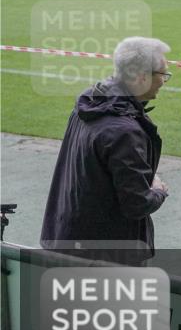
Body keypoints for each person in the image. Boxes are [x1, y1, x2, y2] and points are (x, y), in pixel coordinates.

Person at [40, 36, 172, 264]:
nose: (165, 81)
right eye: (163, 75)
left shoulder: (90, 104)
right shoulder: (124, 131)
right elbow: (137, 203)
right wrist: (158, 190)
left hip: (68, 236)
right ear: (142, 77)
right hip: (107, 254)